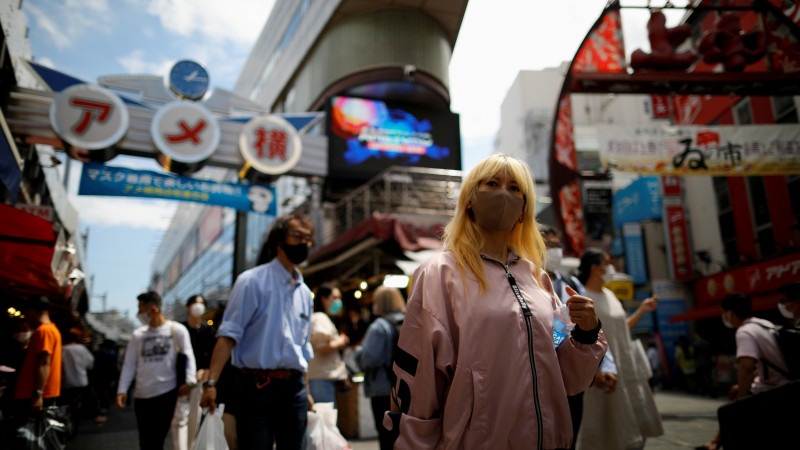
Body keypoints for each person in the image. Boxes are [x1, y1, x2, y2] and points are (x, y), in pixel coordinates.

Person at [384, 154, 608, 449]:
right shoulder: (440, 273)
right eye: (492, 183)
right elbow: (419, 376)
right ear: (469, 201)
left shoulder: (538, 279)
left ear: (523, 210)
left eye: (516, 188)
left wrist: (586, 333)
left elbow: (567, 378)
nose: (504, 193)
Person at [201, 213, 316, 450]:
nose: (304, 243)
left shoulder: (305, 293)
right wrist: (210, 383)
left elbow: (303, 348)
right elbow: (228, 335)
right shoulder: (251, 281)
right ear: (279, 240)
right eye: (297, 236)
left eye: (308, 238)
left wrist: (307, 391)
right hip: (256, 388)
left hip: (295, 390)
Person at [575, 248, 663, 450]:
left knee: (630, 422)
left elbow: (621, 328)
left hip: (625, 366)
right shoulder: (583, 297)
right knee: (602, 427)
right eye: (607, 262)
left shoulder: (610, 295)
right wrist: (595, 369)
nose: (611, 267)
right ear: (595, 268)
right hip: (601, 372)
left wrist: (642, 310)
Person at [540, 225, 618, 450]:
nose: (555, 251)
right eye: (549, 245)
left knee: (569, 437)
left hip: (572, 376)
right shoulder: (523, 284)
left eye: (557, 245)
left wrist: (608, 366)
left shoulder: (572, 285)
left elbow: (594, 329)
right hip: (541, 376)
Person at [697, 293, 791, 450]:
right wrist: (741, 387)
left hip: (773, 390)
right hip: (785, 382)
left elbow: (746, 367)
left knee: (731, 413)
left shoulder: (744, 332)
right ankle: (715, 441)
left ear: (731, 313)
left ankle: (715, 443)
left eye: (723, 312)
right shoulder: (764, 324)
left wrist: (742, 398)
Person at [116, 291, 196, 450]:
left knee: (157, 439)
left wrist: (190, 381)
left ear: (153, 309)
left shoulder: (177, 330)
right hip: (142, 395)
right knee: (145, 441)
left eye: (141, 309)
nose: (139, 314)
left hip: (167, 393)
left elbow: (188, 355)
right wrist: (122, 390)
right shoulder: (137, 335)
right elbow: (129, 364)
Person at [354, 285, 406, 450]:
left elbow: (367, 359)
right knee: (404, 435)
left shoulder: (379, 327)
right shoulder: (410, 321)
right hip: (407, 388)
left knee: (386, 436)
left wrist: (358, 351)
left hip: (383, 389)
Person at [172, 294, 217, 450]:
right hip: (182, 382)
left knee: (194, 418)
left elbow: (213, 356)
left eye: (202, 303)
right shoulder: (180, 329)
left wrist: (205, 371)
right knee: (179, 419)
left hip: (199, 381)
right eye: (196, 303)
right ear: (188, 307)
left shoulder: (208, 330)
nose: (199, 307)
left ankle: (190, 447)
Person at [13, 296, 62, 416]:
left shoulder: (44, 331)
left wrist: (38, 394)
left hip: (34, 394)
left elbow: (44, 363)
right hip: (40, 393)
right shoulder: (52, 329)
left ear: (31, 313)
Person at [308, 283, 349, 407]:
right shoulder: (320, 317)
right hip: (321, 379)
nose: (338, 301)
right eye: (335, 298)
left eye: (339, 298)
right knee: (325, 420)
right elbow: (322, 347)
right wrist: (341, 341)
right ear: (323, 299)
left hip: (323, 378)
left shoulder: (322, 318)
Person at [61, 330, 95, 437]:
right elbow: (90, 363)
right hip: (81, 380)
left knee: (67, 405)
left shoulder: (60, 349)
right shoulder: (81, 348)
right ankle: (93, 415)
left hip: (65, 383)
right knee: (87, 398)